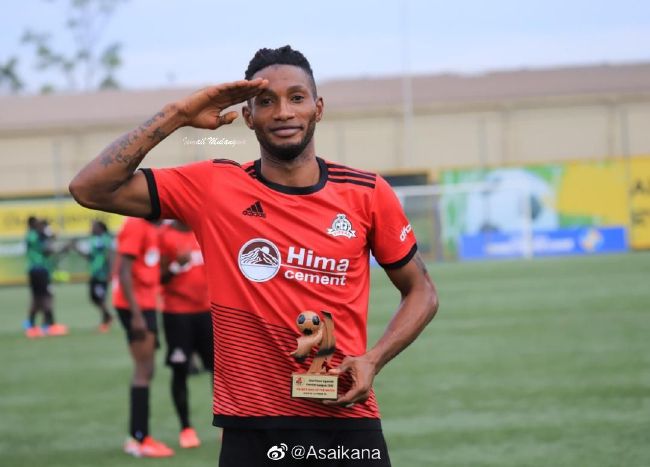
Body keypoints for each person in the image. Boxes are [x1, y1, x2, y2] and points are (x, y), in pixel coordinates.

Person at [70, 45, 438, 466]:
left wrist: (373, 359)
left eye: (296, 97)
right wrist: (177, 114)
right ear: (247, 117)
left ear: (318, 108)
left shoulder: (366, 192)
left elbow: (422, 291)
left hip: (345, 422)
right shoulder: (214, 187)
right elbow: (90, 188)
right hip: (252, 431)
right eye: (266, 101)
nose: (283, 111)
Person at [112, 216, 174, 458]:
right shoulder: (136, 225)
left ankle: (138, 436)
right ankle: (140, 439)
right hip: (135, 307)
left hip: (145, 305)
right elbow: (124, 271)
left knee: (146, 369)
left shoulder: (151, 227)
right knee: (143, 370)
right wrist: (137, 315)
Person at [158, 220, 213, 449]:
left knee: (219, 372)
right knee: (180, 371)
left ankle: (226, 425)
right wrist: (175, 266)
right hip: (177, 315)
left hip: (209, 312)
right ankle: (186, 428)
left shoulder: (204, 229)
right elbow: (159, 278)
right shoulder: (164, 236)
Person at [24, 216, 69, 338]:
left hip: (35, 270)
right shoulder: (35, 236)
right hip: (40, 270)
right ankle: (49, 325)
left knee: (37, 297)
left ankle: (31, 325)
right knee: (47, 296)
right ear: (34, 225)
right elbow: (46, 250)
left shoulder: (31, 235)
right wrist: (63, 248)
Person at [75, 220, 114, 332]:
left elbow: (110, 255)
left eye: (93, 226)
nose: (91, 228)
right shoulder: (92, 240)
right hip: (94, 273)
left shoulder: (106, 239)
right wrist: (78, 250)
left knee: (100, 297)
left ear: (100, 228)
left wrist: (110, 271)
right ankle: (107, 317)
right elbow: (90, 257)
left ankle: (106, 320)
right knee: (93, 298)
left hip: (102, 274)